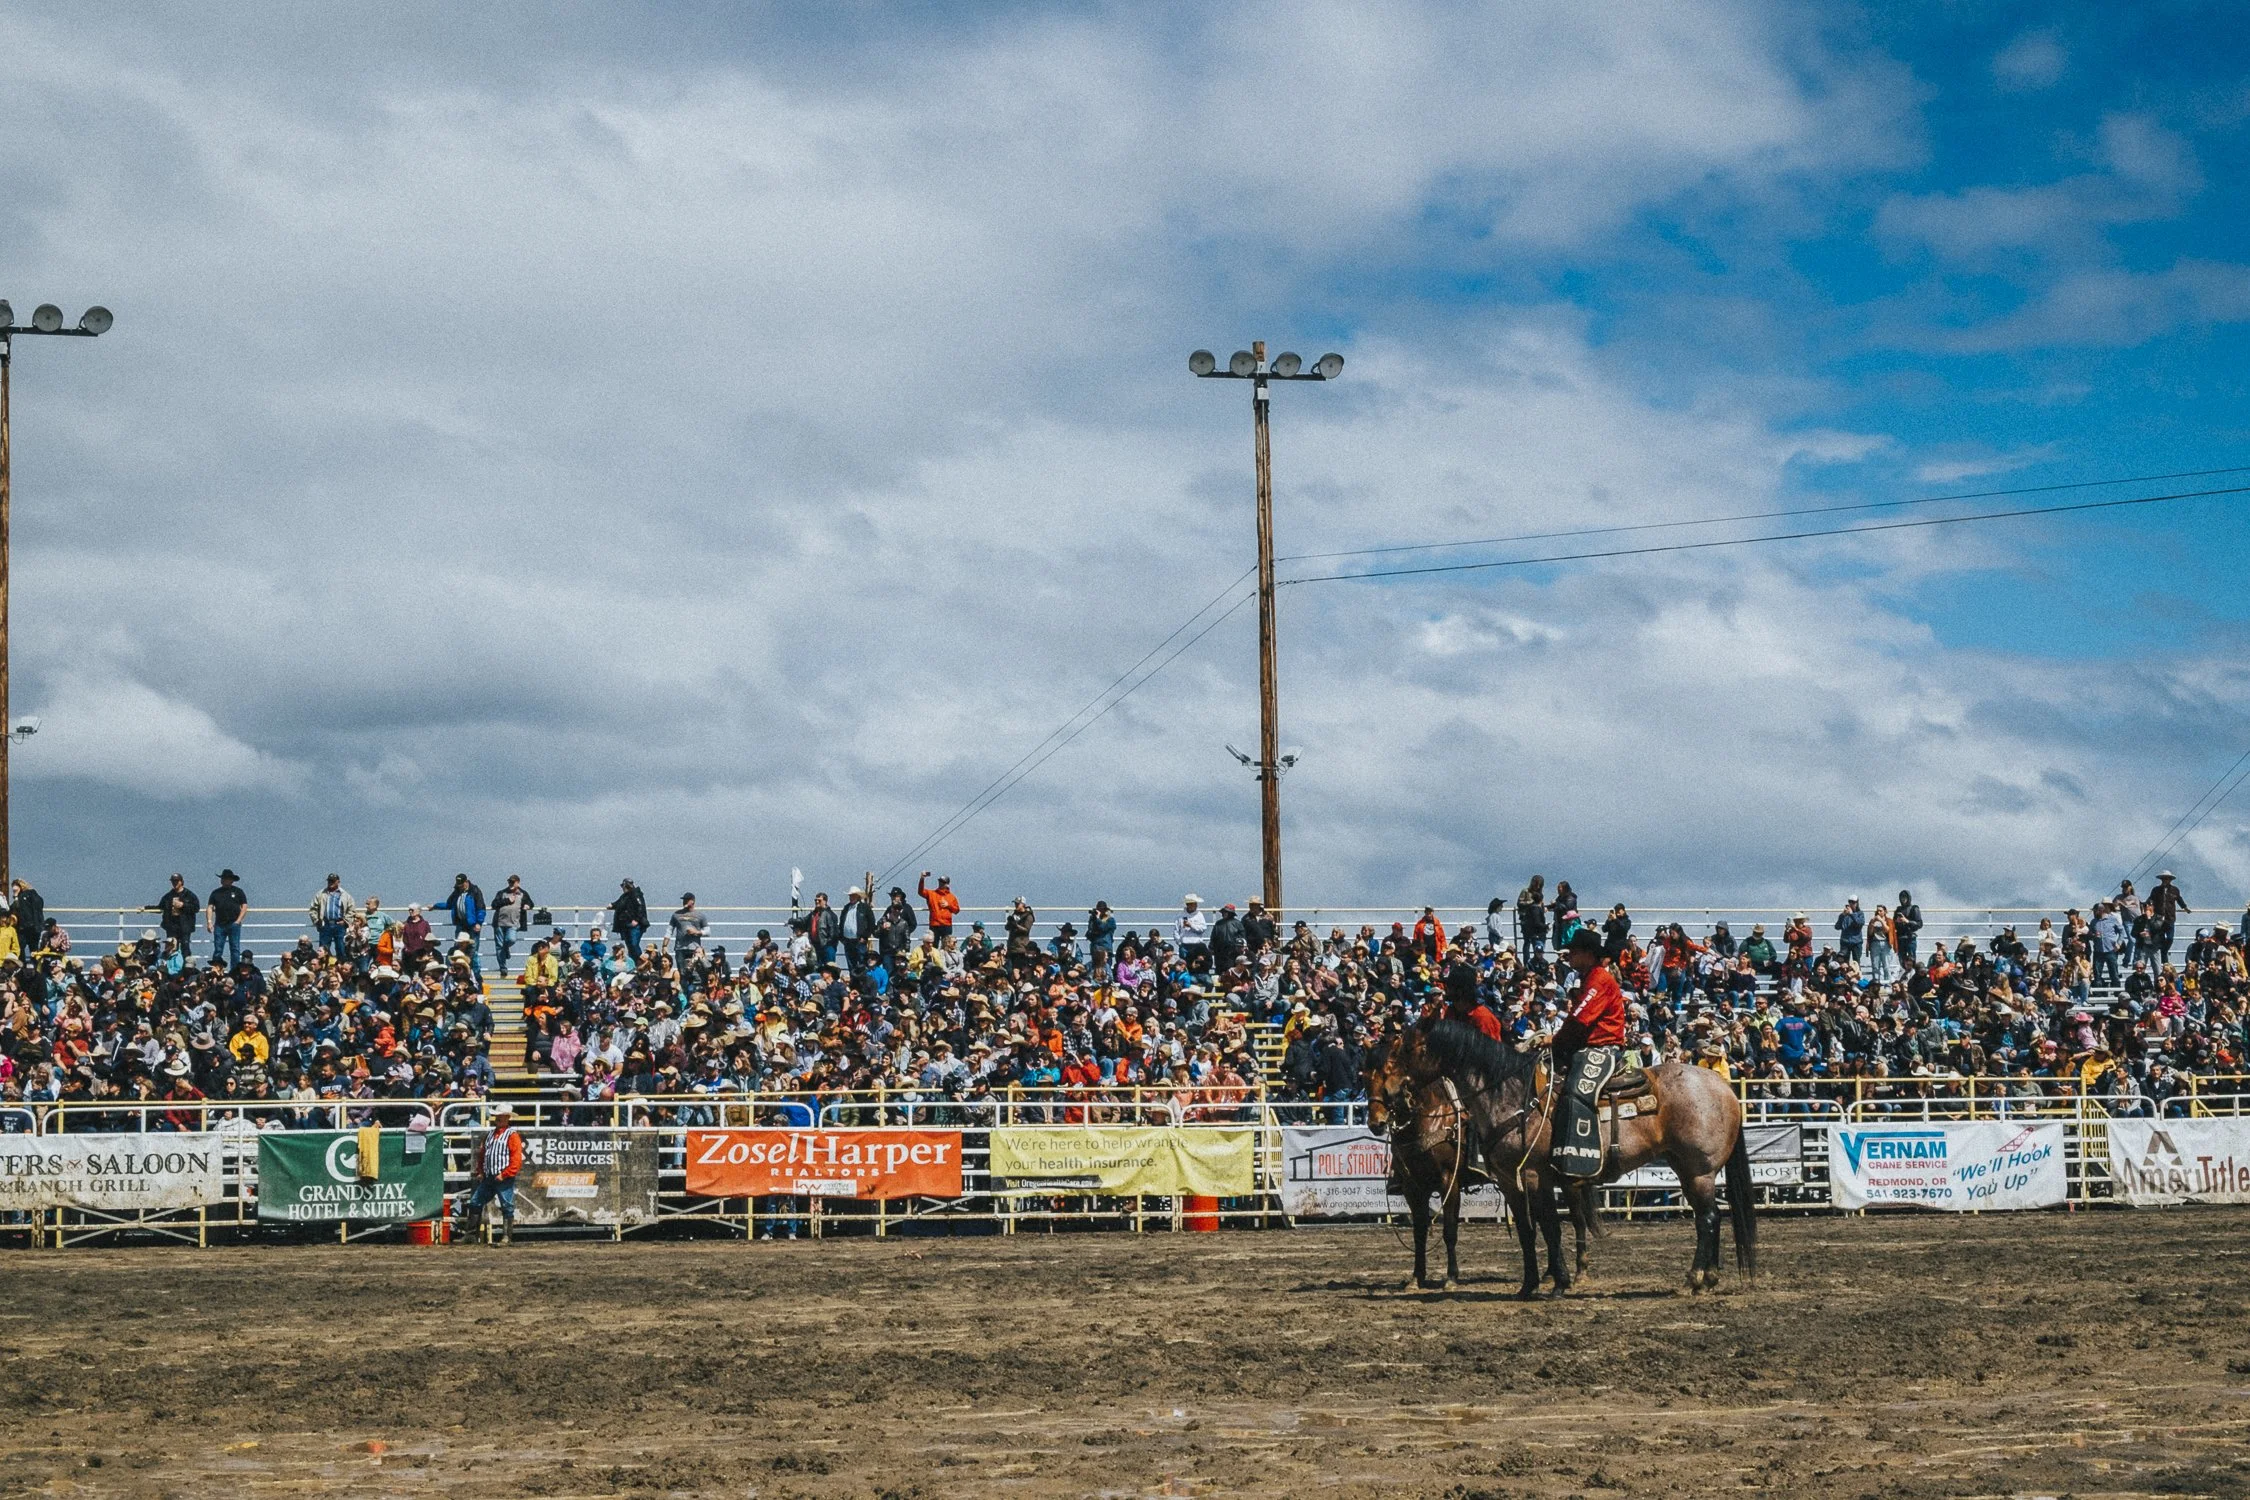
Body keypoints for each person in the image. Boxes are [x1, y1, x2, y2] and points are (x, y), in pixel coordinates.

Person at [1550, 927, 1626, 1180]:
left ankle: (1579, 1157)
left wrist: (1554, 1041)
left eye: (1573, 951)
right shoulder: (1590, 978)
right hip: (1590, 1045)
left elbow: (1579, 1020)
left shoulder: (1598, 979)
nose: (1569, 956)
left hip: (1603, 1047)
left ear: (1588, 954)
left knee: (1575, 1091)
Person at [457, 1104, 526, 1244]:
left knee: (506, 1205)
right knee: (475, 1202)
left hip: (503, 1177)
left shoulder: (512, 1135)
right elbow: (482, 1155)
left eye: (501, 1116)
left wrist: (505, 1174)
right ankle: (471, 1235)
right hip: (489, 1176)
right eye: (497, 1116)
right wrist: (481, 1171)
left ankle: (506, 1236)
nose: (498, 1118)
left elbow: (516, 1159)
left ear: (507, 1118)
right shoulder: (490, 1135)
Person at [434, 874, 488, 977]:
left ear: (466, 882)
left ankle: (473, 973)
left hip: (472, 924)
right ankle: (457, 970)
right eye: (459, 885)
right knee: (458, 947)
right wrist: (435, 906)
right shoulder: (456, 892)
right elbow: (449, 904)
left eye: (462, 884)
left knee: (473, 949)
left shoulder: (475, 891)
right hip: (460, 923)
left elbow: (481, 907)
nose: (460, 887)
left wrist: (479, 922)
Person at [490, 876, 535, 976]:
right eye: (509, 882)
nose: (510, 884)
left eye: (512, 882)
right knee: (499, 946)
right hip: (499, 923)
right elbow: (494, 904)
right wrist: (507, 900)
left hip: (514, 923)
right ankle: (503, 967)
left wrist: (528, 906)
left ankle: (506, 948)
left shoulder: (523, 894)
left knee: (511, 939)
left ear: (518, 883)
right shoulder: (502, 893)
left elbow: (531, 903)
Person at [206, 870, 248, 969]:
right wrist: (209, 922)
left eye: (226, 878)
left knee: (235, 949)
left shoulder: (238, 892)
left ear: (231, 880)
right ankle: (217, 969)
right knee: (218, 949)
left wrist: (238, 921)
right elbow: (210, 907)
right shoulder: (216, 893)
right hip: (219, 924)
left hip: (234, 923)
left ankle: (234, 970)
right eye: (223, 878)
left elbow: (244, 906)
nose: (223, 880)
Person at [150, 874, 200, 956]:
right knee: (171, 947)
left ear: (181, 882)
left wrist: (183, 905)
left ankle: (185, 963)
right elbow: (160, 907)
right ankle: (172, 963)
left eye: (176, 881)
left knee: (185, 947)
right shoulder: (168, 896)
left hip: (185, 926)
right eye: (173, 881)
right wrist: (145, 908)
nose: (174, 883)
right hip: (171, 926)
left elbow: (196, 908)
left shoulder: (190, 895)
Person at [2148, 872, 2191, 967]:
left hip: (2170, 918)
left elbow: (2179, 900)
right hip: (2159, 918)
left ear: (2170, 880)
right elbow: (2150, 900)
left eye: (2167, 879)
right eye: (2164, 879)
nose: (2165, 880)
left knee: (2170, 938)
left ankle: (2164, 952)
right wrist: (2147, 908)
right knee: (2161, 939)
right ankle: (2165, 961)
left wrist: (2185, 908)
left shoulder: (2175, 890)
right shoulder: (2156, 890)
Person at [308, 874, 354, 961]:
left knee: (341, 948)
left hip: (339, 925)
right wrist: (317, 921)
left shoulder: (345, 895)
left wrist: (345, 921)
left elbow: (351, 909)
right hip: (325, 924)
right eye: (329, 881)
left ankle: (341, 965)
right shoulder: (321, 894)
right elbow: (313, 909)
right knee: (323, 949)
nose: (330, 883)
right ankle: (324, 966)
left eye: (332, 881)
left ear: (338, 882)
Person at [610, 878, 650, 961]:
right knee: (630, 946)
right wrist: (612, 905)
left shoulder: (636, 894)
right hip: (626, 924)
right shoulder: (625, 896)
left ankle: (642, 962)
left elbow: (640, 907)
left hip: (635, 925)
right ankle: (634, 963)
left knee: (634, 944)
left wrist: (637, 920)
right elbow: (619, 903)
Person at [917, 872, 960, 947]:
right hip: (934, 924)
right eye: (940, 881)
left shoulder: (952, 897)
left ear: (947, 884)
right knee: (932, 946)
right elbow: (921, 892)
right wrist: (922, 879)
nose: (941, 883)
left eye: (943, 882)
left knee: (947, 946)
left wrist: (948, 905)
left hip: (946, 924)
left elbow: (957, 910)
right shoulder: (931, 894)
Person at [670, 892, 710, 962]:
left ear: (693, 901)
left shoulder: (700, 915)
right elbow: (669, 930)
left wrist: (696, 932)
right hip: (680, 948)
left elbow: (708, 932)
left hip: (694, 948)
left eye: (687, 900)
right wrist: (665, 945)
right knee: (681, 969)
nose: (684, 901)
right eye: (684, 900)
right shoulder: (676, 914)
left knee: (693, 968)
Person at [1893, 889, 1922, 966]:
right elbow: (1893, 924)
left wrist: (1907, 921)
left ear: (1908, 898)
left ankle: (1912, 972)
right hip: (1900, 937)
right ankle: (1904, 971)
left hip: (1910, 937)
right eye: (1902, 897)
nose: (1903, 899)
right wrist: (1897, 921)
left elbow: (1919, 924)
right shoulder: (1898, 910)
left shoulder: (1914, 908)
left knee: (1911, 959)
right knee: (1901, 959)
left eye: (1905, 897)